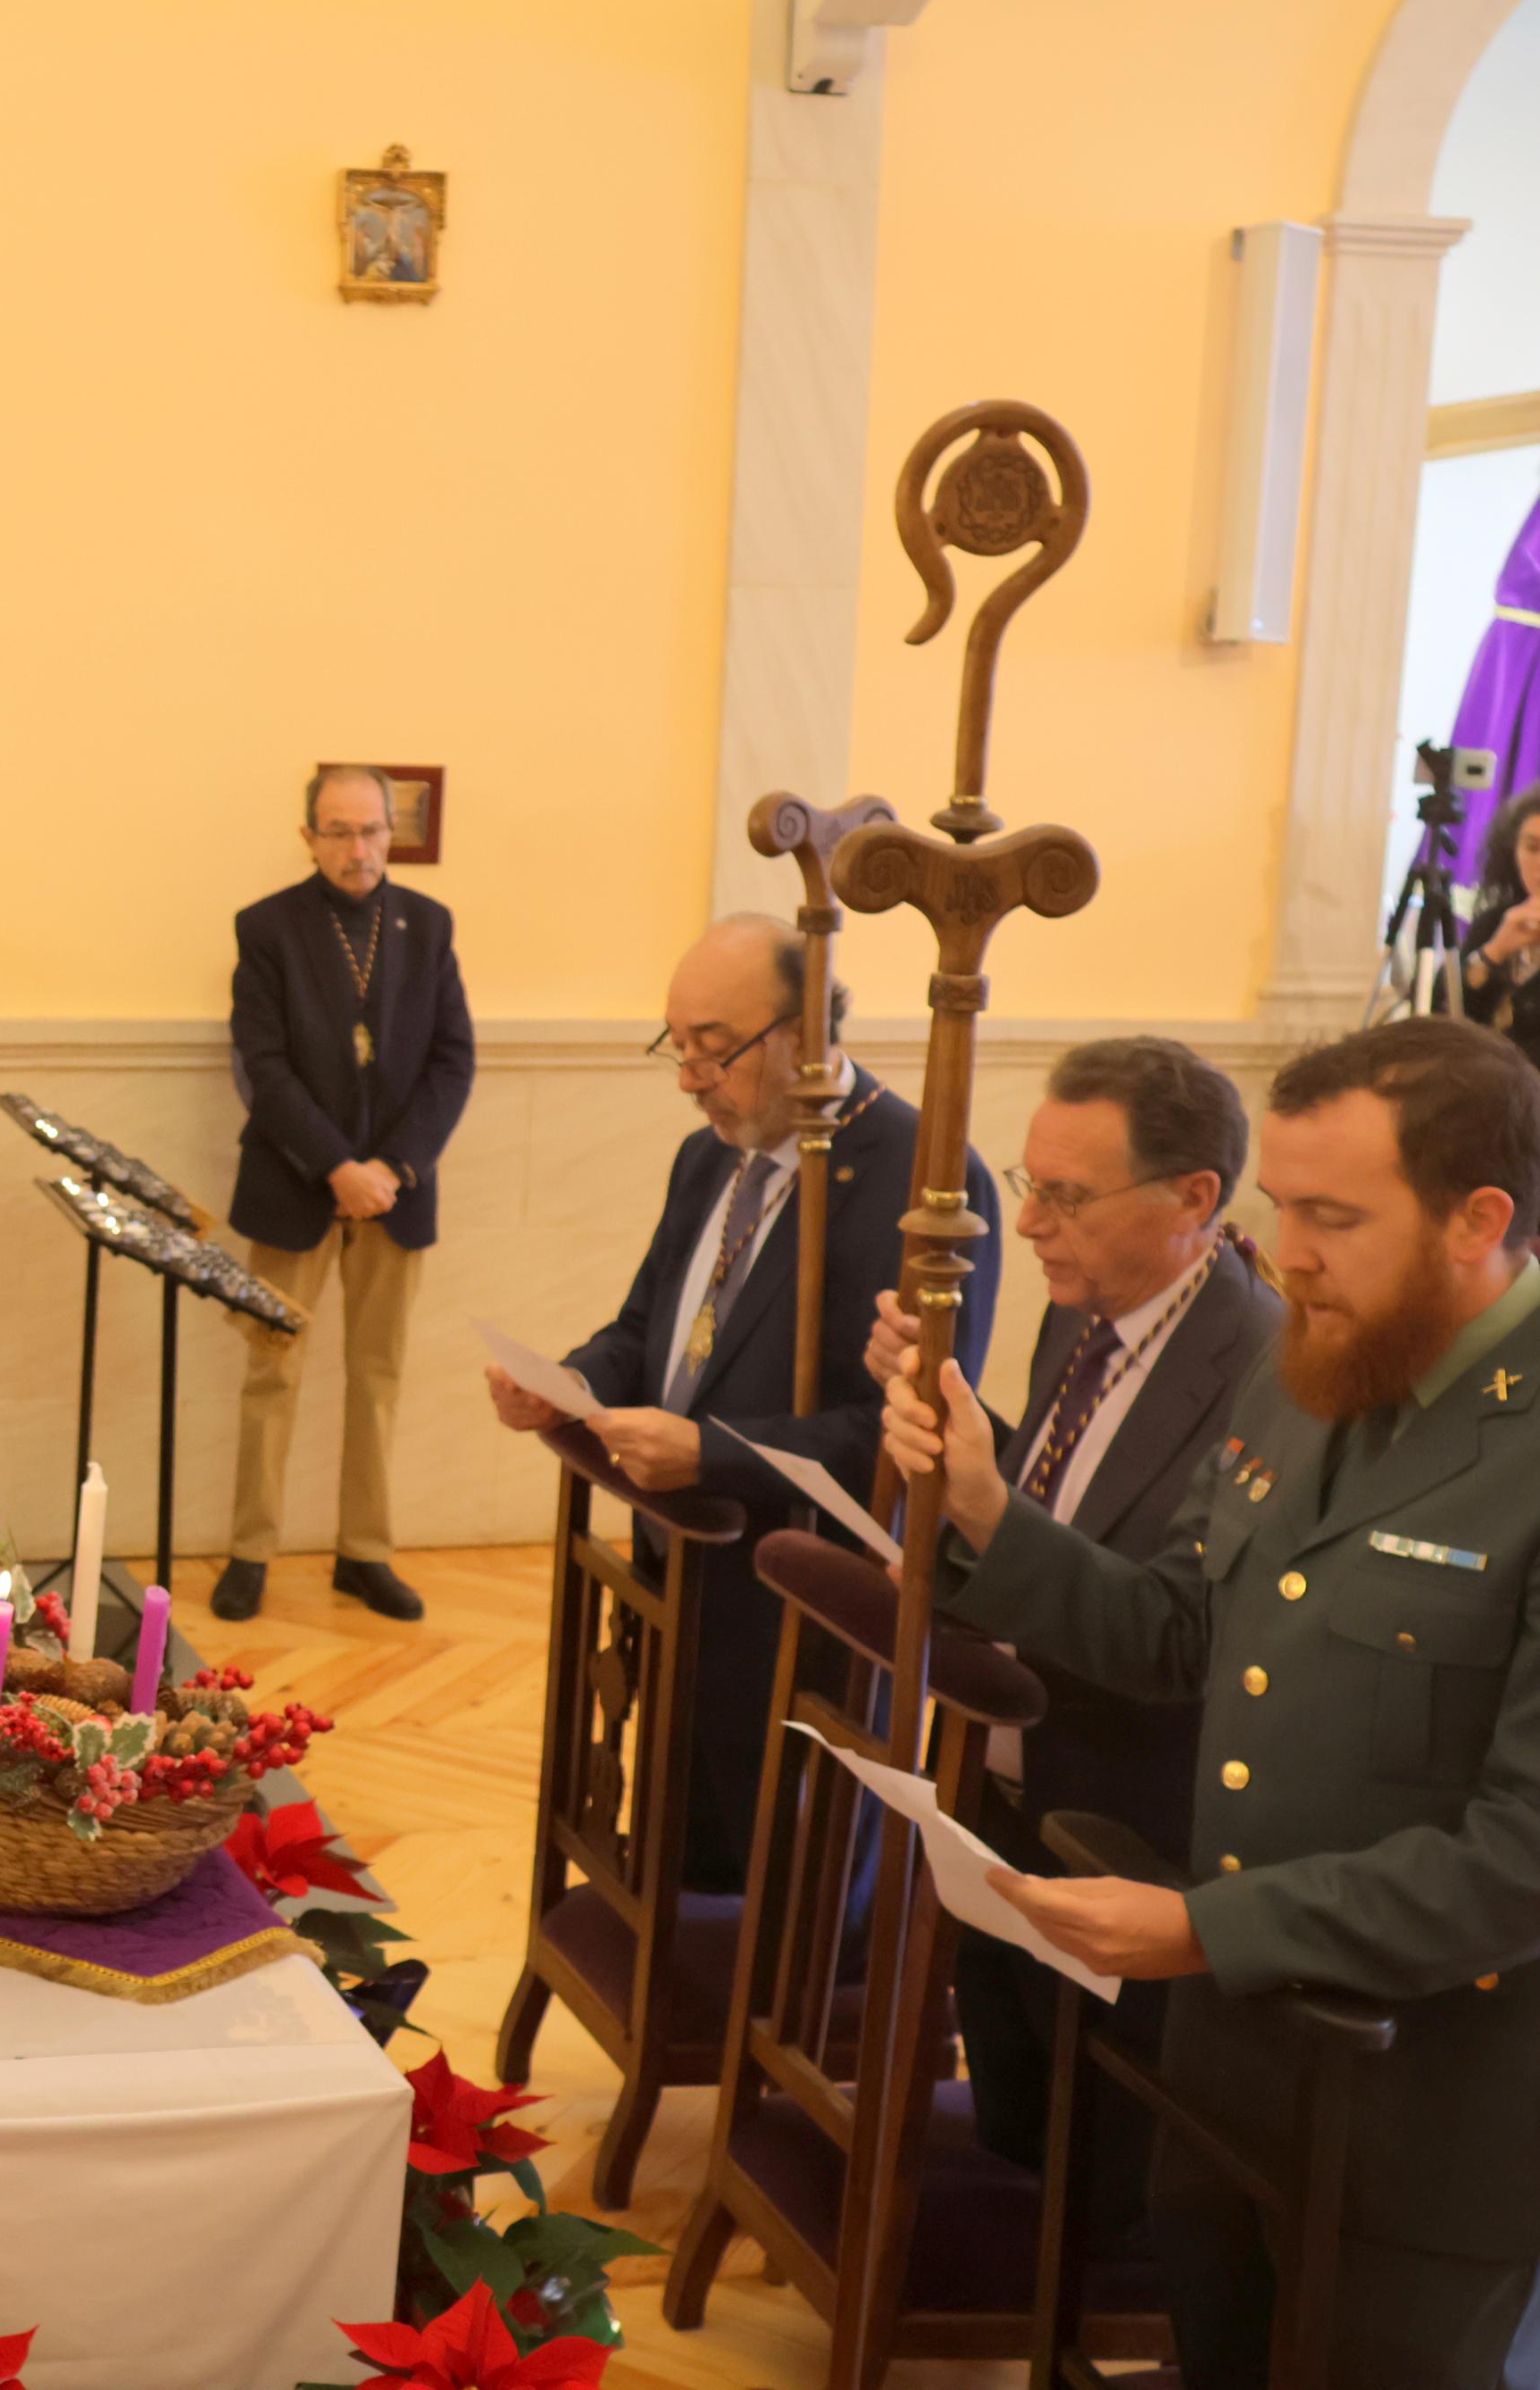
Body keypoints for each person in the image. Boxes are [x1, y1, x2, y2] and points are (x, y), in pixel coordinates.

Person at [885, 1016, 1540, 2390]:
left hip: (1425, 2111)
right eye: (1278, 1208)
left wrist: (1200, 1922)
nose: (1283, 1251)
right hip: (1230, 2069)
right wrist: (984, 1509)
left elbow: (1518, 1858)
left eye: (1331, 1215)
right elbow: (1181, 1629)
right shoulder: (1310, 1366)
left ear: (1477, 1216)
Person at [859, 1037, 1278, 2263]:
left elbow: (1165, 1629)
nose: (1023, 1220)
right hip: (1003, 1782)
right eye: (1024, 1179)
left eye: (1063, 1195)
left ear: (1190, 1200)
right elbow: (1061, 1513)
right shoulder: (1082, 1315)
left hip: (1121, 1822)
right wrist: (949, 1419)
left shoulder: (1260, 1368)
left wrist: (982, 1506)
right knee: (1013, 2121)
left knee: (1102, 2195)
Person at [482, 914, 997, 1893]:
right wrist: (565, 1385)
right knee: (679, 1863)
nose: (688, 1079)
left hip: (800, 1609)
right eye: (674, 1049)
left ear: (801, 1032)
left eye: (711, 1052)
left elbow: (903, 1434)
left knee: (782, 1887)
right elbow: (646, 1330)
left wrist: (710, 1455)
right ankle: (676, 2033)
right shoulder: (706, 1156)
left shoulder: (919, 1177)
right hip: (677, 1580)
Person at [215, 763, 476, 1624]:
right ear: (308, 837)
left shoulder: (427, 927)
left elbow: (451, 1062)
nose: (357, 847)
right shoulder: (267, 929)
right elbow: (264, 1066)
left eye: (370, 830)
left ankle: (364, 1553)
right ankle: (251, 1549)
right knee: (271, 1372)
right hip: (296, 1185)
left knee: (378, 1376)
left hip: (396, 1195)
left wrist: (393, 1168)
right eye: (338, 830)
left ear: (388, 834)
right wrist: (336, 1166)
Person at [1460, 784, 1540, 1068]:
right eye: (1532, 848)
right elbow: (1447, 1013)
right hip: (1486, 1087)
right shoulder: (1496, 920)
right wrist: (1494, 951)